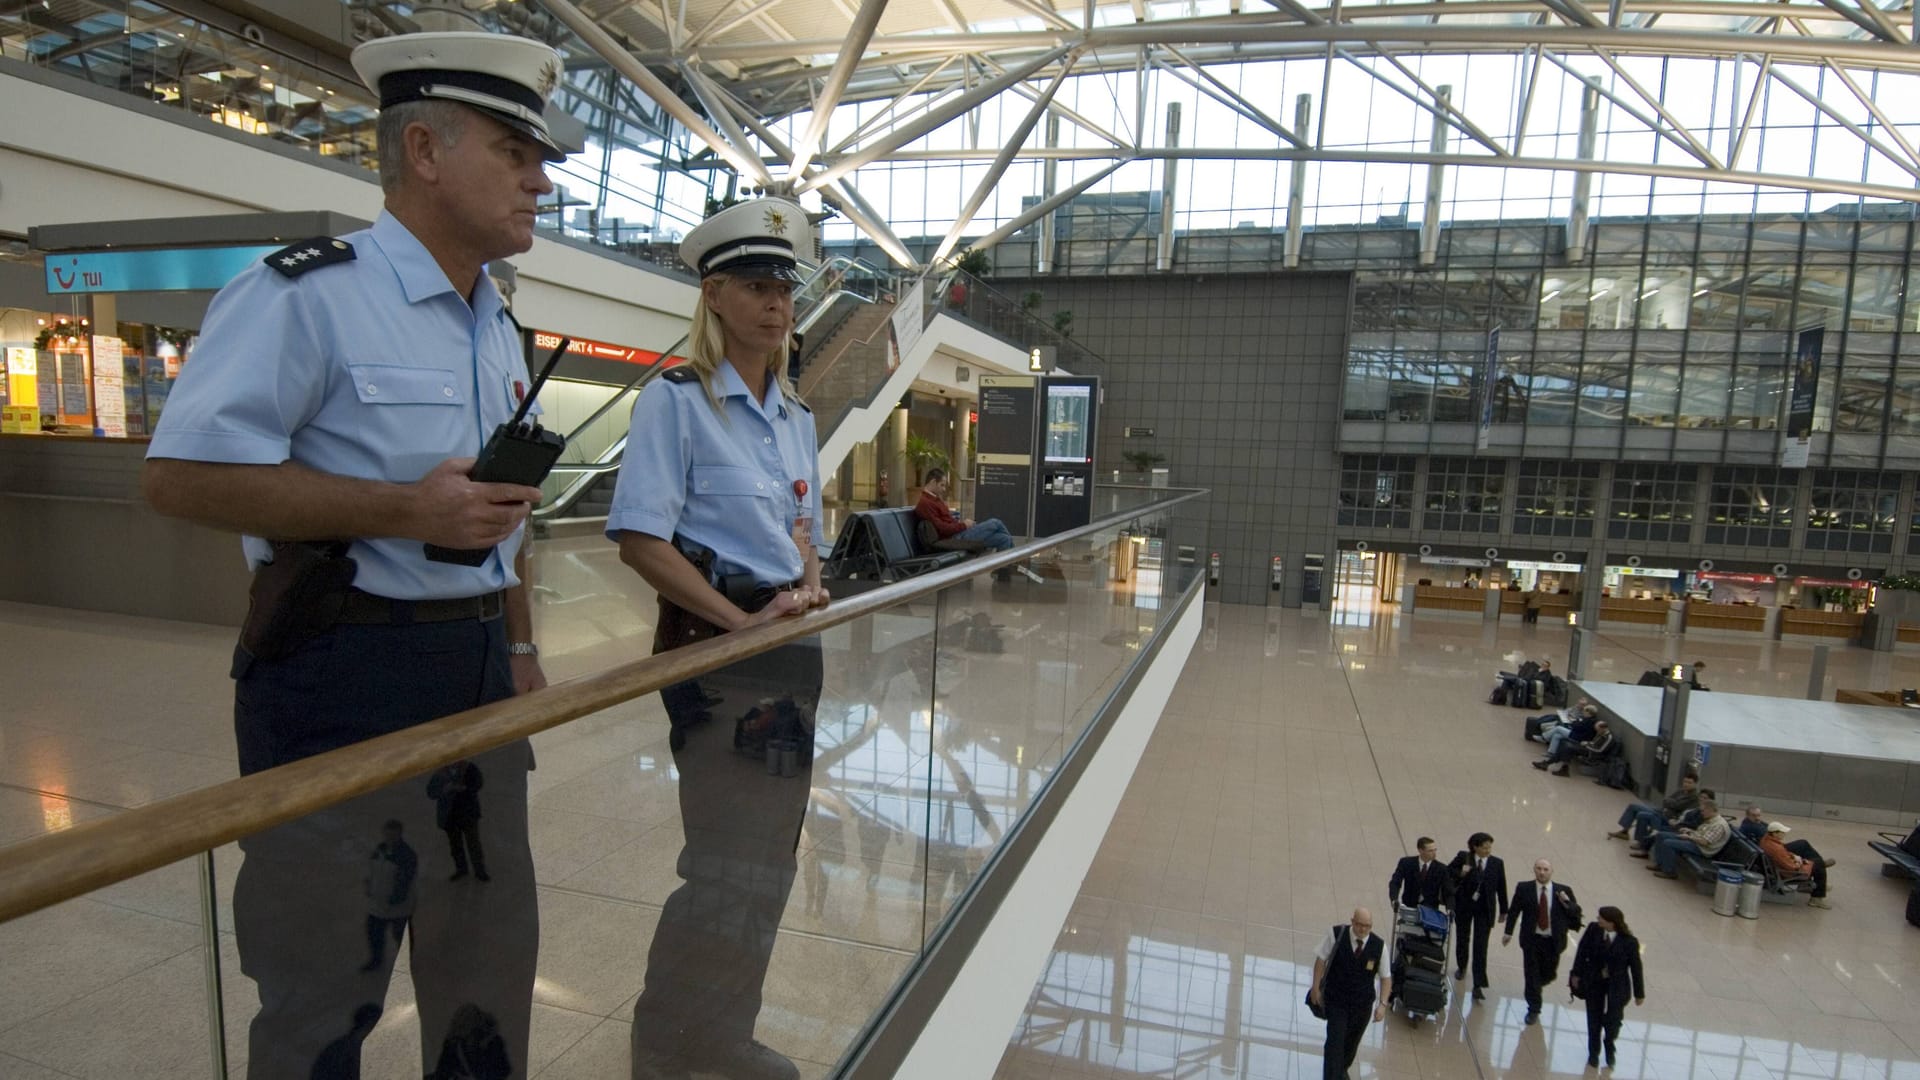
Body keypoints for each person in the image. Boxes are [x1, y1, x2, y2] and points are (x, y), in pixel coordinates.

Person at [142, 29, 562, 1078]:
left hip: (473, 674)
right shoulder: (303, 296)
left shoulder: (495, 325)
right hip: (341, 671)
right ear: (423, 150)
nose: (540, 179)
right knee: (325, 988)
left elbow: (496, 518)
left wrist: (516, 648)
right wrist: (400, 512)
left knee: (487, 971)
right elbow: (179, 476)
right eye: (515, 150)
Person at [606, 194, 832, 1080]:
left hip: (789, 651)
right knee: (722, 864)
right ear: (712, 296)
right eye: (754, 284)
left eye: (785, 285)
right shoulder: (680, 403)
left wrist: (811, 582)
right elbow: (639, 538)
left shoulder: (797, 416)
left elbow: (802, 526)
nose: (776, 302)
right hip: (719, 651)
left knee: (769, 860)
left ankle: (724, 1034)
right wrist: (740, 626)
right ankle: (668, 1041)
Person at [1308, 908, 1390, 1080]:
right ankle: (1333, 1075)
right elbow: (1321, 960)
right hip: (1337, 1001)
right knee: (1334, 1044)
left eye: (1367, 926)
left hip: (1361, 1007)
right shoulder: (1336, 934)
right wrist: (1316, 987)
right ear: (1352, 921)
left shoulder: (1379, 946)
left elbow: (1386, 978)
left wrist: (1382, 1004)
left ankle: (1341, 1070)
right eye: (1359, 925)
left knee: (1350, 1045)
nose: (1363, 929)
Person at [1503, 858, 1582, 1025]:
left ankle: (1538, 985)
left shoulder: (1563, 890)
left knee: (1548, 973)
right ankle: (1534, 1008)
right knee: (1531, 974)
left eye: (1545, 869)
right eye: (1539, 869)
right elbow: (1514, 910)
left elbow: (1576, 912)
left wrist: (1566, 901)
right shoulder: (1524, 888)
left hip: (1553, 941)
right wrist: (1508, 932)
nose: (1542, 872)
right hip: (1532, 939)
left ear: (1551, 871)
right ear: (1534, 870)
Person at [1568, 906, 1645, 1069]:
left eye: (1601, 918)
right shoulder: (1593, 930)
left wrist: (1640, 993)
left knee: (1613, 1021)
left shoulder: (1629, 942)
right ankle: (1593, 1054)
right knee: (1593, 1019)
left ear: (1611, 922)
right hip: (1594, 981)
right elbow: (1582, 951)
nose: (1598, 919)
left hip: (1617, 986)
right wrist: (1576, 973)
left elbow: (1636, 968)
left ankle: (1609, 1044)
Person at [1447, 832, 1507, 1001]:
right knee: (1463, 937)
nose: (1488, 850)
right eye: (1485, 847)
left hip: (1484, 909)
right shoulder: (1463, 857)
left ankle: (1479, 984)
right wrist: (1461, 873)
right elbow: (1448, 872)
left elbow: (1502, 886)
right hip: (1465, 905)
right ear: (1475, 847)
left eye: (1490, 847)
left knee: (1481, 945)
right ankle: (1462, 965)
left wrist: (1504, 909)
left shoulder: (1496, 863)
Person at [361, 820, 418, 973]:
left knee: (401, 936)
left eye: (392, 835)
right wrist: (369, 885)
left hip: (399, 907)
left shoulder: (407, 856)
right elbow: (373, 870)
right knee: (373, 932)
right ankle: (376, 959)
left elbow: (404, 883)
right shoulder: (380, 849)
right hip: (378, 904)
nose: (389, 838)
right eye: (387, 834)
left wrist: (393, 901)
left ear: (399, 835)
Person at [914, 466, 1014, 550]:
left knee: (1004, 539)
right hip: (954, 539)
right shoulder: (925, 503)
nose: (944, 489)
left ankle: (1006, 571)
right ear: (933, 482)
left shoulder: (934, 499)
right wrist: (964, 525)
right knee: (995, 523)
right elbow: (942, 528)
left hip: (958, 534)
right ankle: (1018, 560)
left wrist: (963, 524)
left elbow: (947, 522)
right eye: (942, 485)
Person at [428, 760, 488, 882]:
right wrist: (445, 789)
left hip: (468, 815)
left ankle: (479, 871)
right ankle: (461, 869)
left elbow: (478, 784)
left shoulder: (469, 768)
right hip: (450, 817)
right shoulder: (440, 773)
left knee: (473, 844)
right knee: (456, 845)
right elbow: (431, 792)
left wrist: (464, 788)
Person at [1646, 796, 1730, 877]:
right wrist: (1690, 831)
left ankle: (1669, 871)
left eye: (1703, 811)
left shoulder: (1719, 825)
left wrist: (1689, 837)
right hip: (1696, 842)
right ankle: (1659, 863)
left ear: (1710, 810)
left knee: (1668, 843)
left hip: (1702, 849)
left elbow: (1704, 842)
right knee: (1661, 835)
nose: (1701, 813)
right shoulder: (1712, 819)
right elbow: (1703, 834)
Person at [1609, 772, 1700, 844]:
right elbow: (1666, 800)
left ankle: (1632, 836)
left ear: (1695, 784)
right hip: (1661, 811)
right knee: (1633, 806)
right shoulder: (1681, 791)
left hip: (1668, 817)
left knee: (1638, 811)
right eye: (1685, 782)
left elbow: (1677, 805)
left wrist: (1670, 803)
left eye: (1689, 783)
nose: (1686, 784)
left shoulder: (1693, 797)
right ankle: (1625, 831)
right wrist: (1671, 803)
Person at [1759, 821, 1834, 908]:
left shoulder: (1767, 839)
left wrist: (1793, 856)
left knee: (1813, 858)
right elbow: (1791, 867)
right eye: (1782, 832)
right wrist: (1802, 861)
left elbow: (1784, 853)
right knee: (1819, 865)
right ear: (1775, 833)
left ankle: (1820, 876)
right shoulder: (1777, 849)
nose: (1785, 834)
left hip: (1780, 867)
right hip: (1789, 873)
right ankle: (1816, 898)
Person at [1388, 836, 1451, 911]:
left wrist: (1450, 908)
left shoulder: (1441, 869)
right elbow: (1395, 882)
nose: (1434, 853)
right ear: (1421, 850)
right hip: (1409, 906)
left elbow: (1448, 891)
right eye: (1430, 851)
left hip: (1430, 909)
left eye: (1435, 850)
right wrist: (1394, 899)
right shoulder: (1406, 863)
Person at [1540, 719, 1614, 776]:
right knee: (1564, 743)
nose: (1597, 732)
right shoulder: (1601, 733)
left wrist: (1587, 745)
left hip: (1591, 753)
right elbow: (1594, 743)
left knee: (1568, 748)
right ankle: (1554, 766)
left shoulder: (1609, 737)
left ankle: (1552, 765)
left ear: (1603, 728)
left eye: (1598, 730)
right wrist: (1587, 742)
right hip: (1588, 747)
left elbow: (1600, 750)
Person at [1534, 705, 1598, 768]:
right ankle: (1551, 752)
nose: (1583, 712)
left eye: (1585, 711)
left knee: (1558, 728)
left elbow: (1575, 726)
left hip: (1577, 737)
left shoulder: (1589, 721)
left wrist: (1576, 722)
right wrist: (1576, 722)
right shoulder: (1588, 719)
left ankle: (1544, 738)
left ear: (1588, 712)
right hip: (1576, 734)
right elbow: (1576, 724)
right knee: (1557, 735)